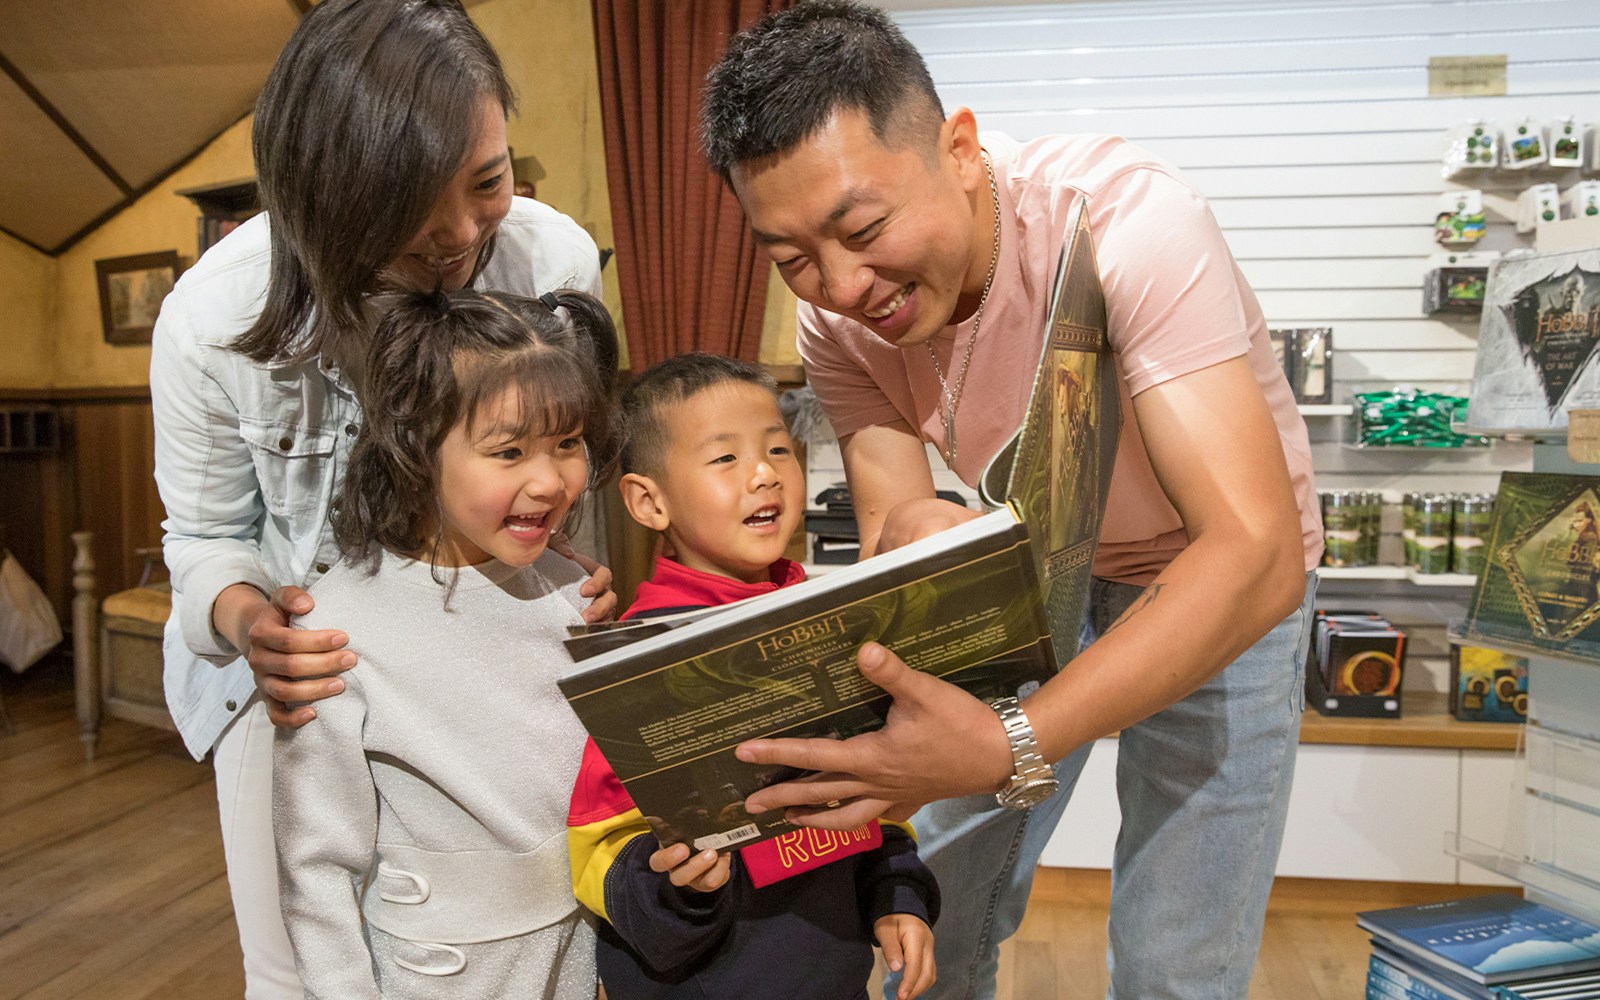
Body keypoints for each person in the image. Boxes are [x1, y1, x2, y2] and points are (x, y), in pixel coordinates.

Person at [698, 3, 1322, 998]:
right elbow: (891, 518)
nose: (844, 285)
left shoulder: (1127, 223)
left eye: (863, 229)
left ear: (958, 147)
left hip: (1218, 578)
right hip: (1042, 563)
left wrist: (1008, 741)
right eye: (794, 260)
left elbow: (1253, 548)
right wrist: (915, 539)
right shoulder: (837, 323)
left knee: (1175, 958)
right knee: (934, 903)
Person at [149, 2, 614, 995]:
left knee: (543, 910)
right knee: (298, 954)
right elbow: (204, 539)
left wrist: (579, 575)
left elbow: (562, 459)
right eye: (411, 202)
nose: (458, 236)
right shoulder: (211, 319)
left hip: (493, 643)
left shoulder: (553, 261)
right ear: (325, 194)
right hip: (306, 674)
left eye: (486, 182)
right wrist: (253, 621)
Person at [273, 288, 615, 998]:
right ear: (417, 446)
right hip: (441, 970)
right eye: (509, 450)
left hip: (583, 946)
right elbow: (317, 865)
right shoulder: (335, 630)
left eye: (568, 444)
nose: (549, 481)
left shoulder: (570, 589)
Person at [566, 352, 939, 1000]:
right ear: (649, 501)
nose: (765, 474)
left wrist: (895, 891)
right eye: (725, 459)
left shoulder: (832, 619)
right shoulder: (641, 661)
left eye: (777, 449)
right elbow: (597, 847)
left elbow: (876, 779)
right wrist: (678, 890)